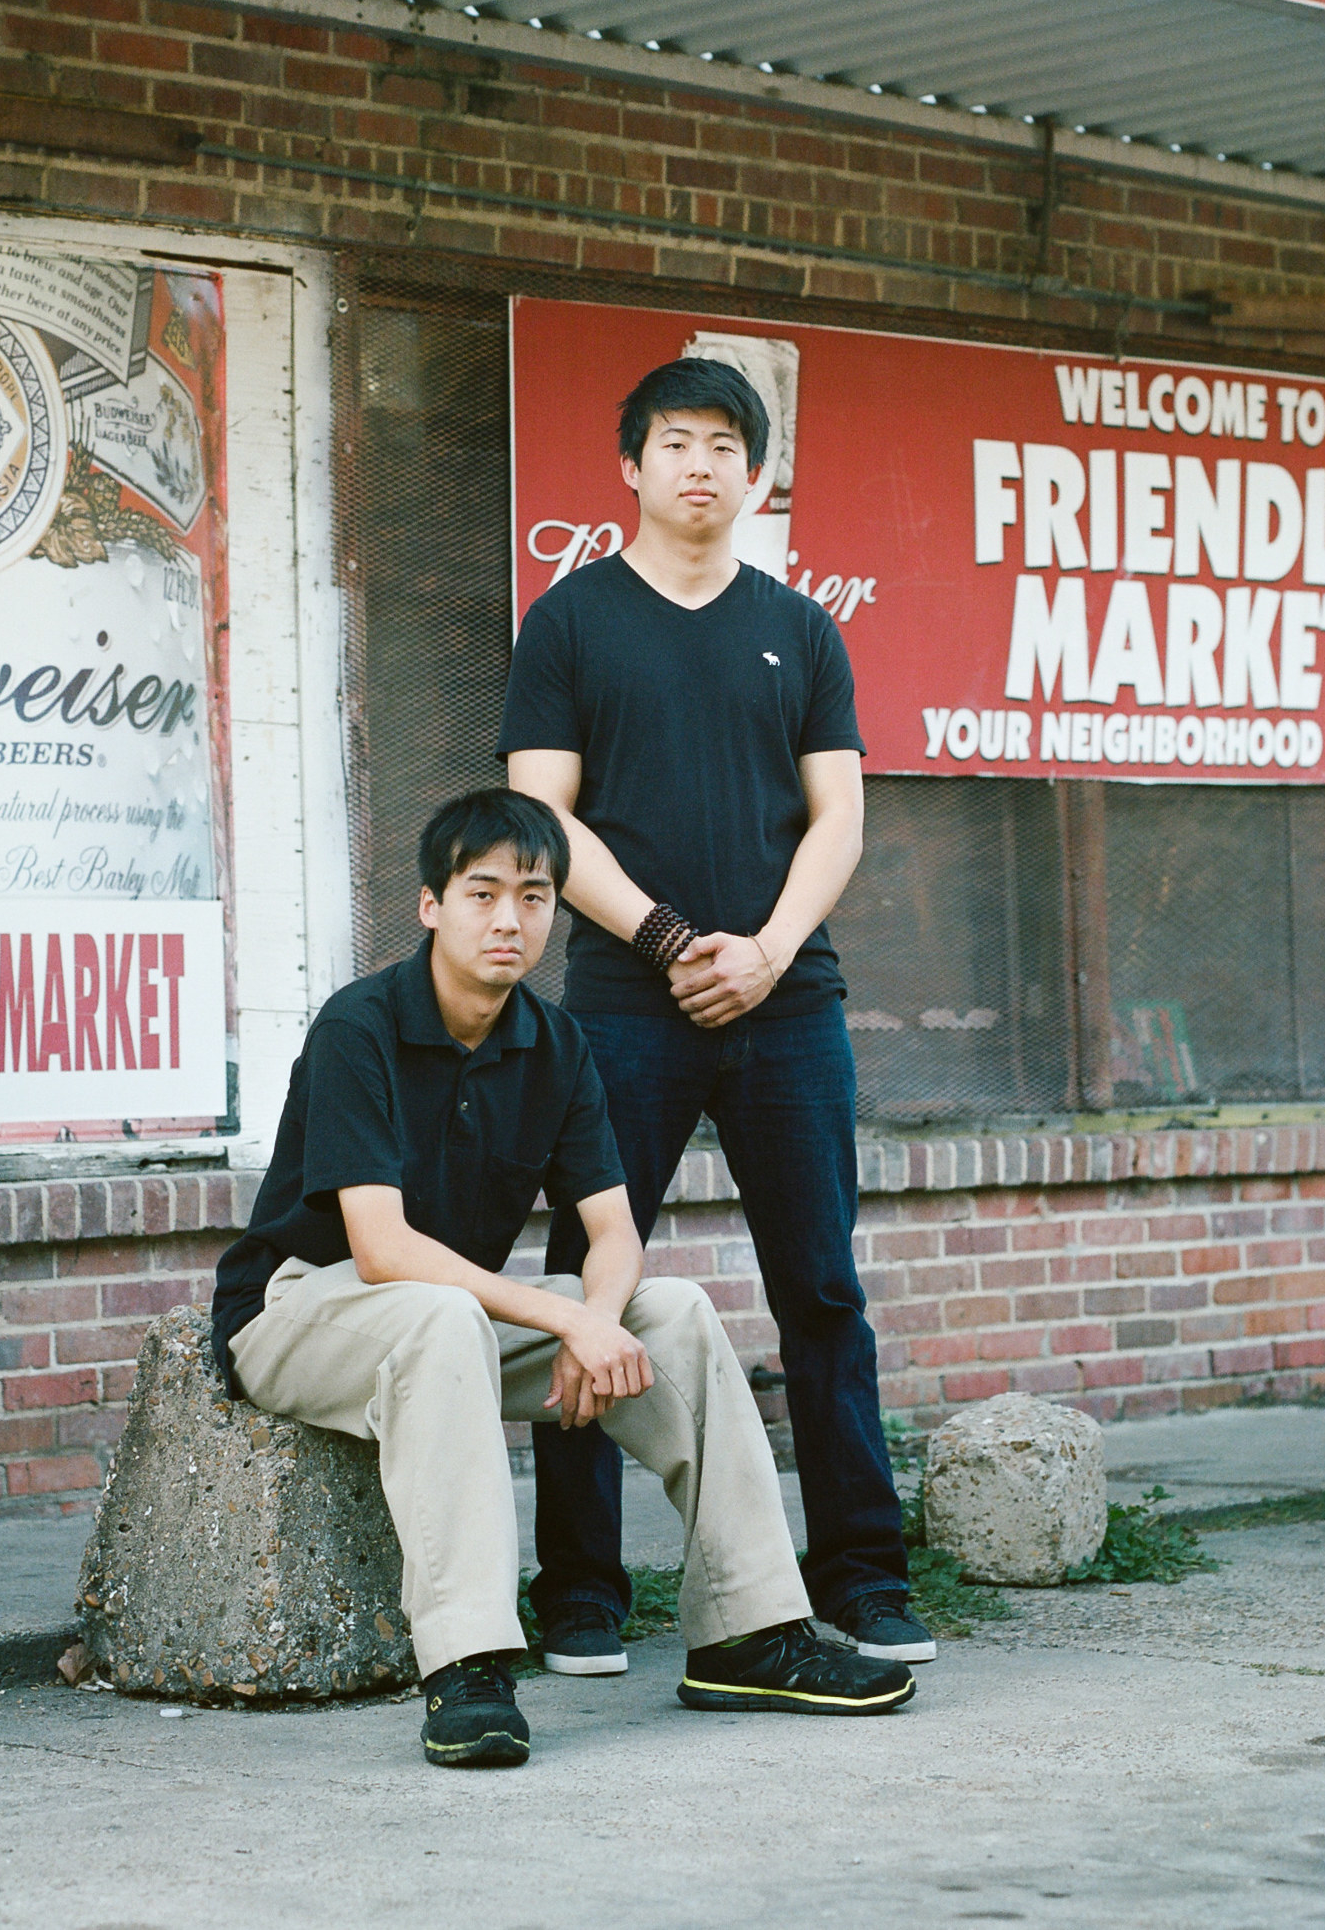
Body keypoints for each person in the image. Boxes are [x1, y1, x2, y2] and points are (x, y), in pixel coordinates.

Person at [210, 787, 916, 1768]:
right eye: (482, 893)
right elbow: (380, 1249)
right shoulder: (359, 1025)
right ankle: (468, 1667)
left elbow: (612, 1230)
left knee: (668, 1311)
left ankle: (749, 1633)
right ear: (430, 906)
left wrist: (597, 1316)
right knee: (442, 1319)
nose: (509, 920)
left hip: (434, 1321)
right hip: (297, 1312)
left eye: (534, 897)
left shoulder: (553, 1044)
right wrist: (561, 1315)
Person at [501, 355, 933, 1676]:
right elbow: (543, 816)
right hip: (626, 1005)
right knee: (596, 1286)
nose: (699, 465)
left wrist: (768, 949)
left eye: (723, 446)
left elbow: (840, 814)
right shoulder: (570, 622)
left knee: (821, 1285)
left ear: (757, 476)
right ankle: (579, 1587)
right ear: (629, 466)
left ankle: (859, 1571)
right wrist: (676, 940)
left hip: (788, 1004)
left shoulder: (799, 629)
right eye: (673, 442)